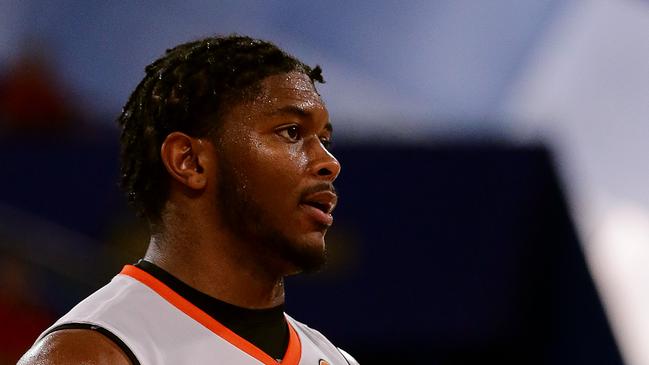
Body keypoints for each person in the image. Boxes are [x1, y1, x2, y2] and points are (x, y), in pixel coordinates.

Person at [19, 34, 358, 365]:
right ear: (190, 161)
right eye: (292, 132)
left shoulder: (335, 359)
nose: (330, 162)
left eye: (324, 138)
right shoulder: (91, 353)